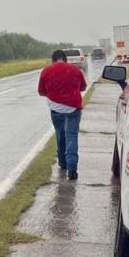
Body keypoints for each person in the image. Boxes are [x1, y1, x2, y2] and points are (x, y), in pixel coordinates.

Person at [38, 49, 87, 180]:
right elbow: (83, 87)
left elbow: (41, 92)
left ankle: (63, 163)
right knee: (71, 136)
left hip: (56, 109)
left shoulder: (46, 70)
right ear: (65, 59)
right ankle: (72, 169)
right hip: (73, 109)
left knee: (60, 136)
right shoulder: (75, 70)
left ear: (53, 60)